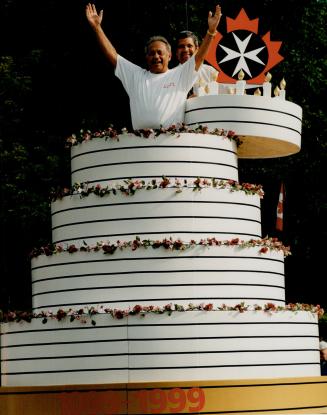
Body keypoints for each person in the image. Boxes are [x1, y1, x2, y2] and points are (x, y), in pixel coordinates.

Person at [85, 3, 222, 130]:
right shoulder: (135, 75)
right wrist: (97, 28)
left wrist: (211, 32)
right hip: (141, 147)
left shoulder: (180, 75)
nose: (156, 56)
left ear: (169, 56)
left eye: (160, 53)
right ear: (146, 57)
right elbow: (113, 56)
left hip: (172, 145)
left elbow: (198, 58)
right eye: (152, 53)